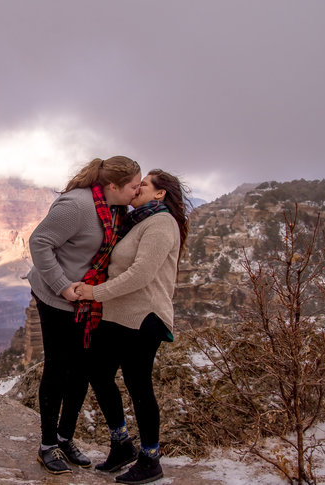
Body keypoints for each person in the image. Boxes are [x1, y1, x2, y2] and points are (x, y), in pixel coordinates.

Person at [27, 156, 142, 475]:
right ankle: (47, 445)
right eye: (133, 186)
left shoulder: (117, 209)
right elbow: (39, 243)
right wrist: (63, 287)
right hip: (55, 297)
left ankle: (65, 438)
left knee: (81, 370)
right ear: (113, 186)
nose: (136, 191)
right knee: (58, 368)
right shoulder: (76, 206)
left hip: (88, 300)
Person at [74, 169, 189, 484]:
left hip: (144, 317)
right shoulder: (136, 220)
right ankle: (121, 443)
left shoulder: (162, 223)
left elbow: (141, 274)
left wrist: (93, 293)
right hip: (117, 314)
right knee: (97, 372)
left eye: (145, 184)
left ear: (160, 193)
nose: (138, 187)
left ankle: (151, 459)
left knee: (139, 386)